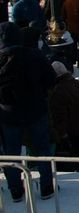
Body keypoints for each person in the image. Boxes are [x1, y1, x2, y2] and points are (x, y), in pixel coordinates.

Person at [0, 22, 58, 201]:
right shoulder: (33, 55)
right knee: (42, 148)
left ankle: (16, 190)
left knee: (10, 152)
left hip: (8, 113)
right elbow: (51, 79)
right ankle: (47, 187)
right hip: (35, 109)